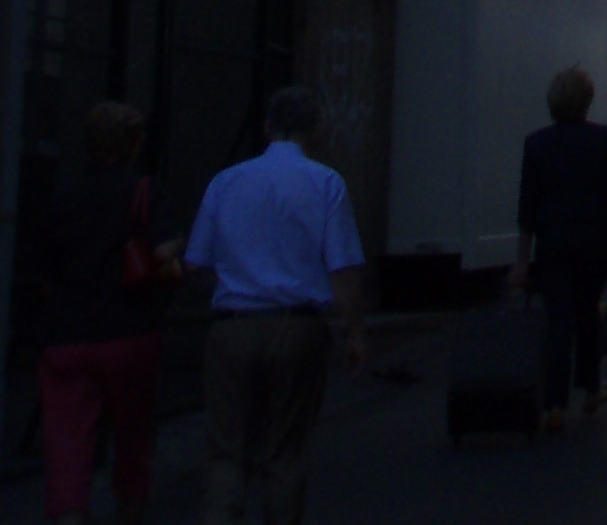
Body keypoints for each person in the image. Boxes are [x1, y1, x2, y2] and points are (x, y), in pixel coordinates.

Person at [182, 84, 364, 525]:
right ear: (316, 130)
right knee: (286, 452)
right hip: (297, 327)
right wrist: (354, 331)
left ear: (266, 127)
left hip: (232, 326)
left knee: (227, 451)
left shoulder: (226, 182)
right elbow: (342, 268)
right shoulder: (326, 183)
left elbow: (196, 262)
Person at [38, 101, 179, 525]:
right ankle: (129, 511)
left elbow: (46, 271)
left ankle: (69, 514)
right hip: (129, 333)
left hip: (67, 336)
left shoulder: (63, 198)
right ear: (135, 144)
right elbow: (161, 253)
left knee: (67, 444)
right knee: (133, 439)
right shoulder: (146, 191)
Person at [512, 68, 607, 432]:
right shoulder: (604, 139)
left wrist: (520, 261)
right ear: (587, 101)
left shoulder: (536, 144)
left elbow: (527, 207)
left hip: (552, 242)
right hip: (593, 240)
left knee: (558, 320)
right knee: (588, 316)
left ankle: (554, 405)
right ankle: (591, 389)